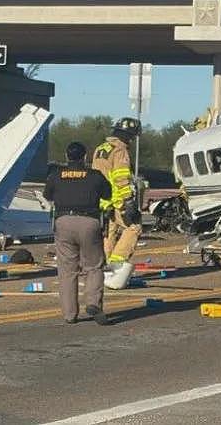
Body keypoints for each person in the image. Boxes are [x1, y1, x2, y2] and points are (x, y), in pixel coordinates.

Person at [44, 142, 112, 325]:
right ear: (85, 157)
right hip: (89, 222)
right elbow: (108, 194)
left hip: (63, 222)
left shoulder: (56, 175)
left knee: (67, 270)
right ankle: (93, 303)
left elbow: (47, 195)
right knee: (94, 266)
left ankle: (69, 314)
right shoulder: (95, 176)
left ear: (67, 156)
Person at [92, 117, 142, 266]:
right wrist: (128, 200)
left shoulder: (101, 149)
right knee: (134, 227)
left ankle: (104, 265)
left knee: (109, 232)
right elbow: (121, 178)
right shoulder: (120, 151)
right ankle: (117, 262)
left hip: (102, 200)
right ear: (127, 135)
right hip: (117, 199)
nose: (132, 141)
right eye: (132, 136)